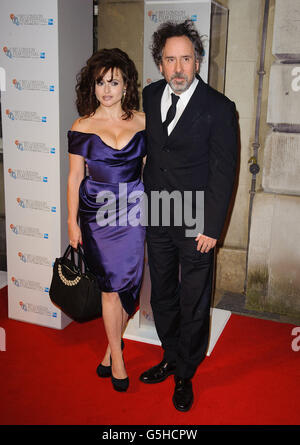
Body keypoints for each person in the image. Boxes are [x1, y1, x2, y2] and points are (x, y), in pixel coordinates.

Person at [140, 20, 238, 411]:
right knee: (162, 293)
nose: (178, 68)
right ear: (160, 65)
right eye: (169, 60)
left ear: (197, 61)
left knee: (194, 299)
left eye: (185, 58)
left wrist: (212, 226)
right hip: (157, 214)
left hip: (197, 221)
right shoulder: (147, 96)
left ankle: (186, 372)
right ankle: (169, 354)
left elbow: (224, 170)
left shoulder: (218, 107)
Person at [67, 48, 146, 392]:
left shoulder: (144, 122)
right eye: (100, 82)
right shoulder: (82, 126)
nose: (107, 89)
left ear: (126, 85)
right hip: (97, 217)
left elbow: (148, 170)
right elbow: (74, 177)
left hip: (134, 213)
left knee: (129, 284)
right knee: (110, 288)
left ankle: (108, 348)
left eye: (114, 82)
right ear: (92, 86)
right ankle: (118, 357)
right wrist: (71, 222)